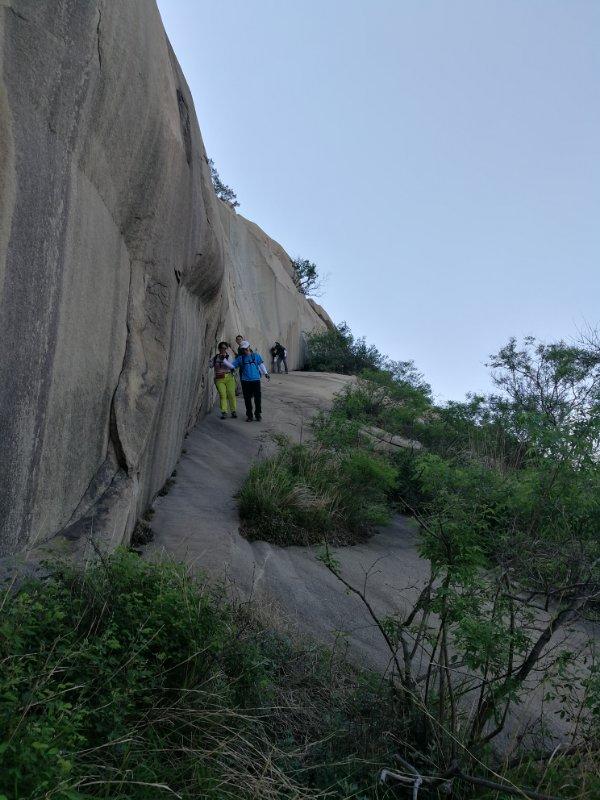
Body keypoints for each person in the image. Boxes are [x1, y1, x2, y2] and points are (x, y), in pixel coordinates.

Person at [224, 340, 270, 421]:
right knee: (247, 399)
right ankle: (249, 415)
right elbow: (231, 366)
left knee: (257, 398)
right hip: (245, 381)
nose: (245, 350)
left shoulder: (256, 356)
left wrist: (266, 373)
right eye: (243, 349)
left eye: (246, 348)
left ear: (249, 347)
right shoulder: (240, 358)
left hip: (256, 380)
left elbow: (261, 364)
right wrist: (224, 360)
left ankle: (258, 414)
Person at [210, 341, 237, 419]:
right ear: (219, 349)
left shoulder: (229, 357)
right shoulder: (215, 358)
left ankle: (233, 411)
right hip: (219, 378)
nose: (223, 350)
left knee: (231, 394)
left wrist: (224, 360)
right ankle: (224, 411)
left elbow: (232, 367)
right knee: (222, 394)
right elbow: (210, 365)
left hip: (229, 377)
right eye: (221, 348)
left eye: (225, 348)